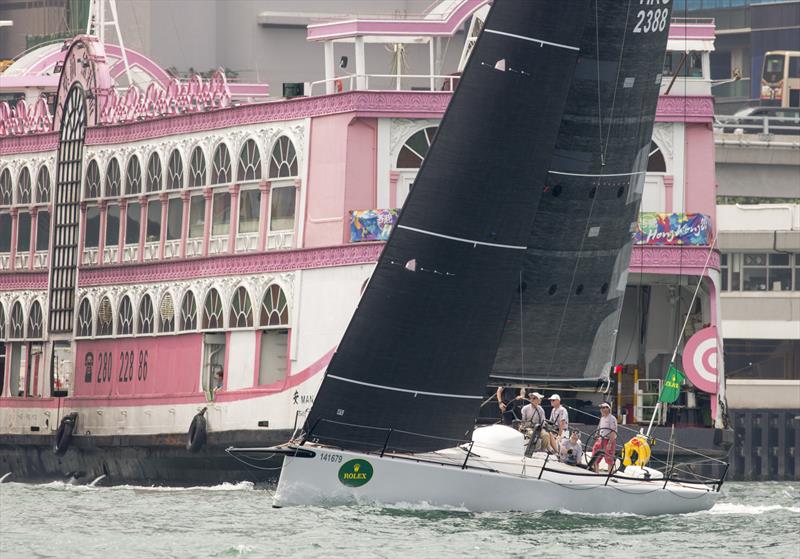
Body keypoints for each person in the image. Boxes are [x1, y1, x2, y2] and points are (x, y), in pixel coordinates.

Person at [591, 402, 618, 473]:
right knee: (595, 456)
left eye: (603, 407)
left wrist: (609, 443)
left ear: (608, 408)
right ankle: (596, 473)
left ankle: (610, 475)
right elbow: (600, 429)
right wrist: (597, 435)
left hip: (608, 440)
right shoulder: (602, 418)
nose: (601, 409)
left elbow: (613, 431)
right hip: (601, 439)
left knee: (609, 459)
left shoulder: (612, 418)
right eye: (601, 408)